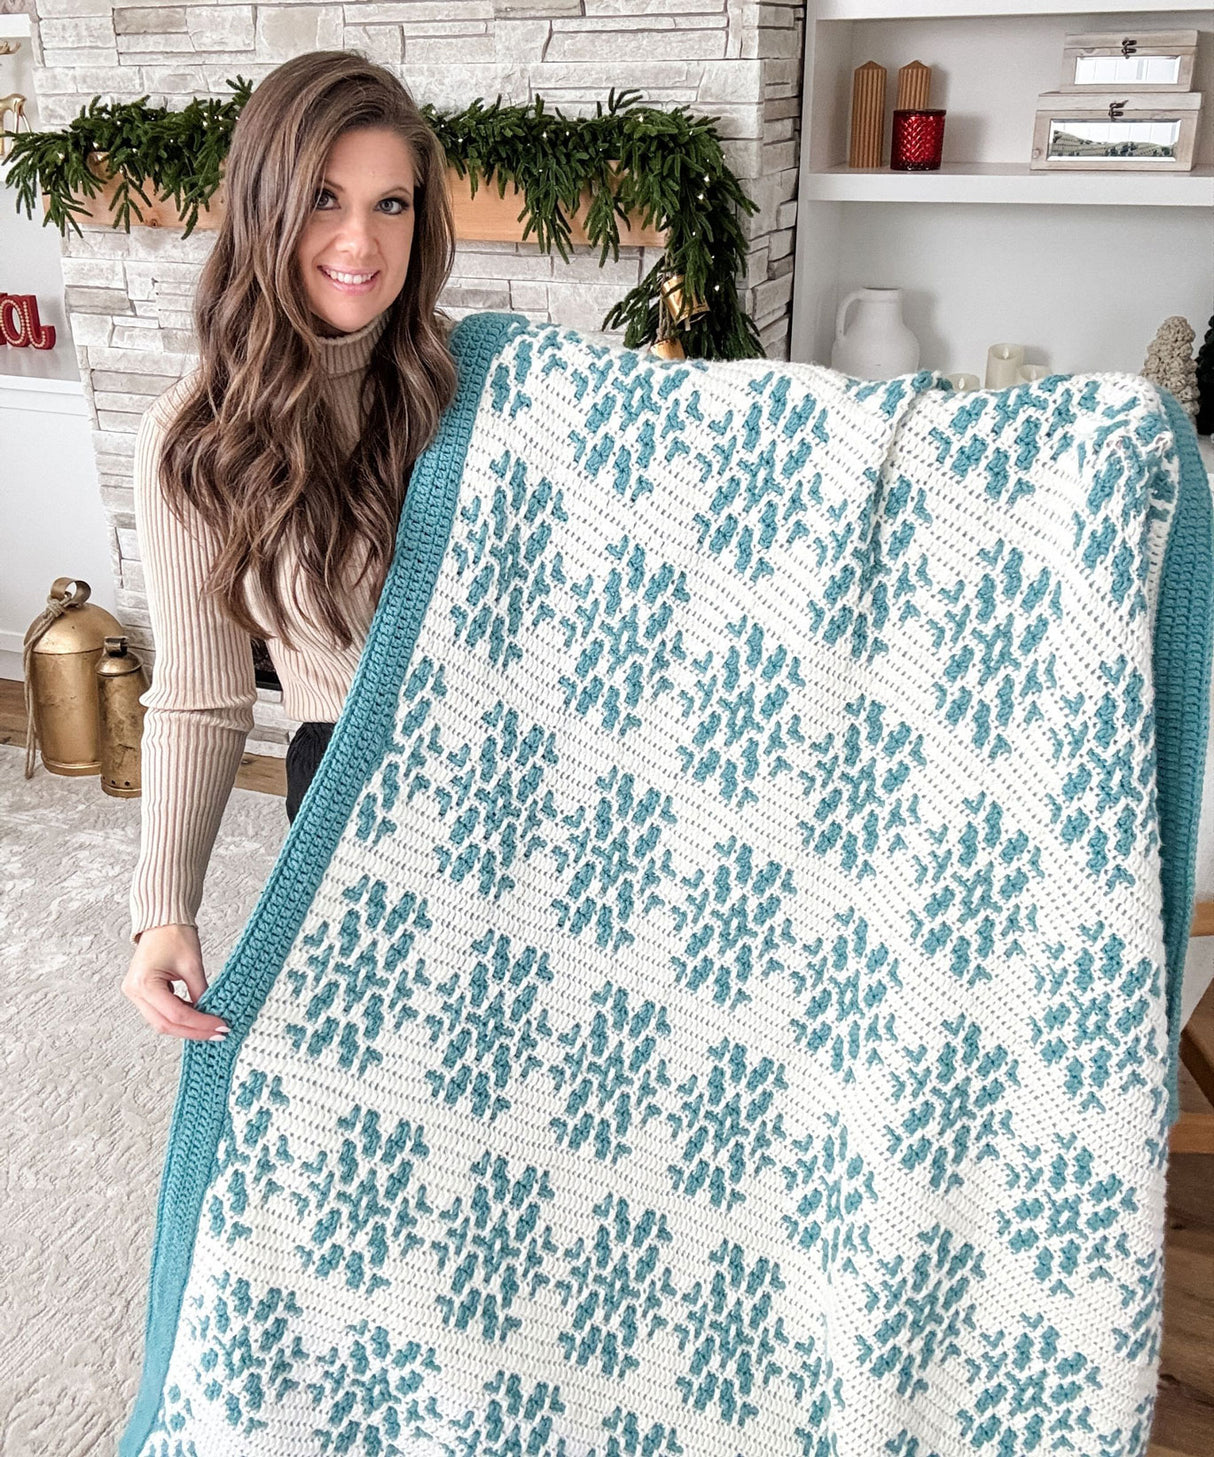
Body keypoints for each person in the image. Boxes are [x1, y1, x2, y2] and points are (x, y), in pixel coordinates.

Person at [121, 50, 459, 1045]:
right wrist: (164, 907)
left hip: (510, 759)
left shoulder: (472, 380)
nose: (360, 241)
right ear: (264, 204)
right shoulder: (195, 439)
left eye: (391, 204)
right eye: (323, 198)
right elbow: (202, 694)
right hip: (346, 779)